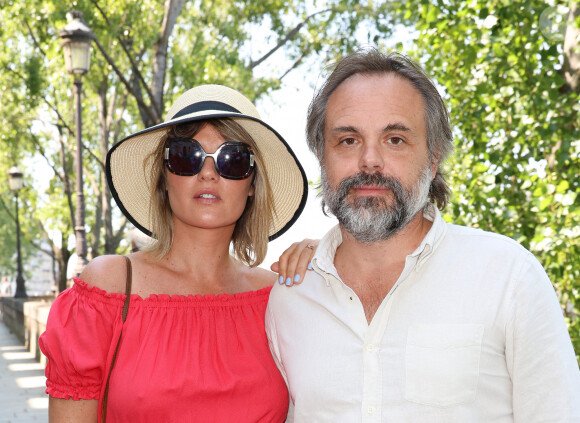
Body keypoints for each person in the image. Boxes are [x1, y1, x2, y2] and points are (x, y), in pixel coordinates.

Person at [266, 49, 580, 422]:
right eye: (348, 140)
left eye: (395, 139)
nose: (370, 159)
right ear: (322, 157)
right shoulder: (290, 296)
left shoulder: (508, 277)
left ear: (433, 158)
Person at [39, 84, 312, 422]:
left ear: (252, 183)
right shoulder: (106, 288)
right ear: (164, 179)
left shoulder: (280, 295)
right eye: (187, 156)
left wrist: (329, 258)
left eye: (233, 159)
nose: (208, 173)